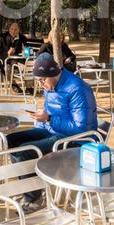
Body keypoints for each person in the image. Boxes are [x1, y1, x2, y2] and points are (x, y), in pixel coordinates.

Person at [5, 53, 96, 209]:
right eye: (37, 80)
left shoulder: (77, 88)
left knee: (24, 152)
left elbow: (81, 129)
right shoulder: (50, 83)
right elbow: (48, 110)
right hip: (53, 130)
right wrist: (40, 124)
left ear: (54, 74)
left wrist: (49, 119)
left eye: (42, 80)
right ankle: (31, 187)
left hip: (75, 140)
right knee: (11, 140)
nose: (40, 84)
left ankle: (34, 198)